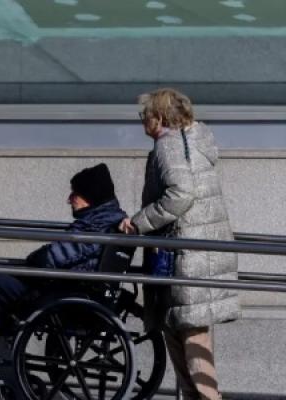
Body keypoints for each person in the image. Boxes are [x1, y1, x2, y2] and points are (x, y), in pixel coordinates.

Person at [0, 163, 127, 383]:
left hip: (61, 294)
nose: (69, 199)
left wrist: (34, 260)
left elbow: (58, 255)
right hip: (66, 289)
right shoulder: (104, 219)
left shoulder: (97, 225)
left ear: (90, 196)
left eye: (74, 194)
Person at [119, 88, 239, 400]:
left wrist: (139, 222)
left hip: (185, 257)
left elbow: (181, 194)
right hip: (199, 255)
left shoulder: (168, 145)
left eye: (144, 116)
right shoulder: (194, 140)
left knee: (194, 351)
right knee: (186, 340)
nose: (142, 123)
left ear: (157, 118)